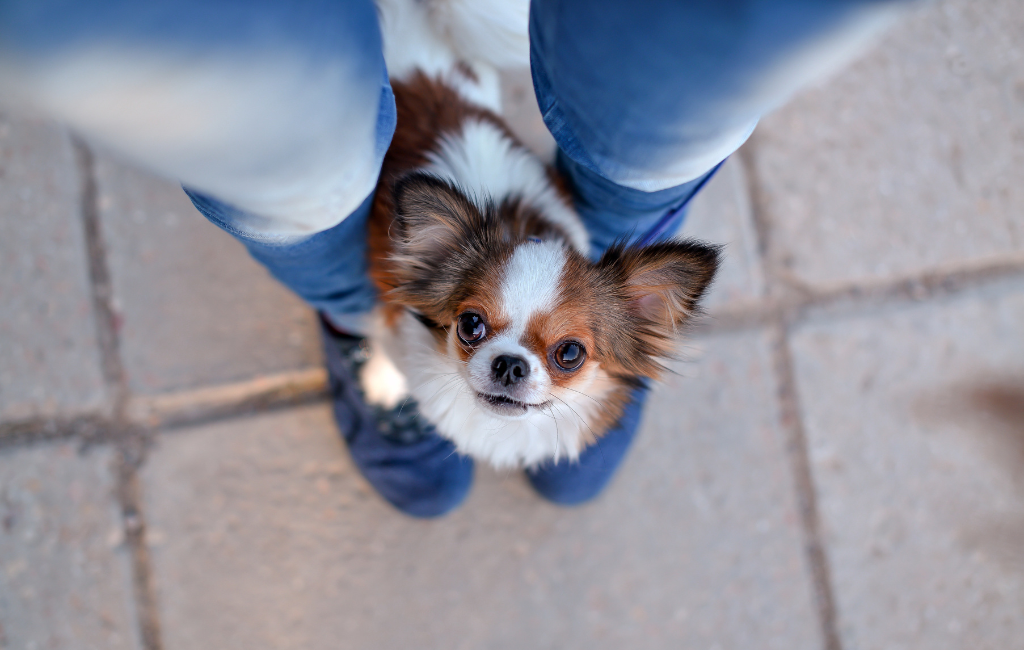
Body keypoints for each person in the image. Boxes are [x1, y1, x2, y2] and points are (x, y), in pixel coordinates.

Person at [0, 0, 911, 517]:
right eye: (474, 328)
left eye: (565, 354)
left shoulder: (578, 302)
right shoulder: (428, 288)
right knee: (276, 155)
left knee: (685, 80)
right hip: (411, 126)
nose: (508, 360)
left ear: (625, 338)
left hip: (466, 124)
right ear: (441, 299)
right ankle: (350, 313)